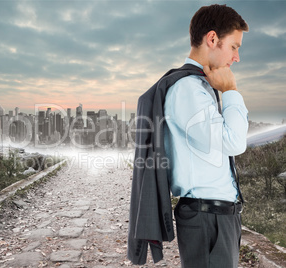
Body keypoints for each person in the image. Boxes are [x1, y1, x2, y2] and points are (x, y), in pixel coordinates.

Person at [127, 4, 249, 268]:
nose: (236, 57)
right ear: (213, 39)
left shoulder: (199, 86)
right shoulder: (188, 89)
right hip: (208, 217)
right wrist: (230, 91)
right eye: (234, 46)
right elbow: (234, 142)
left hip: (215, 215)